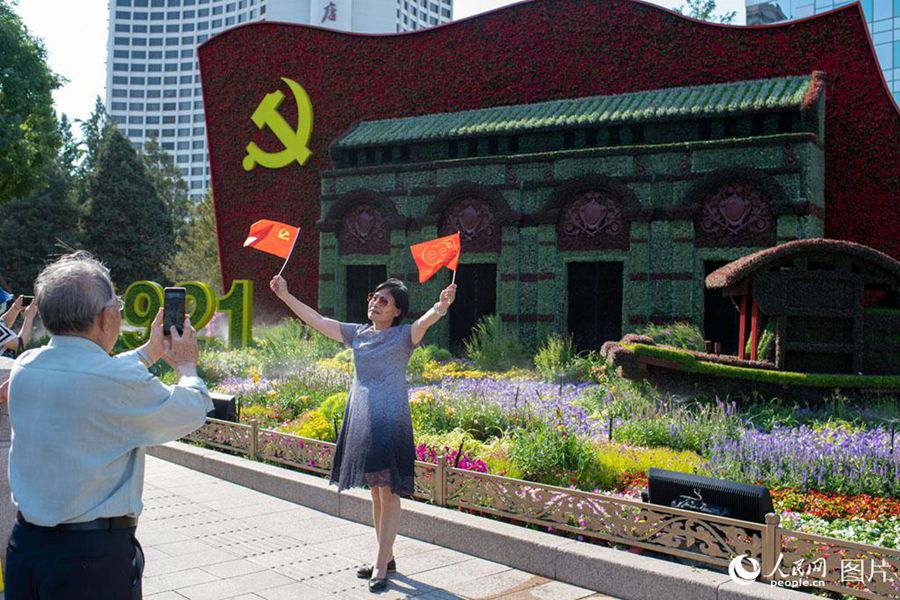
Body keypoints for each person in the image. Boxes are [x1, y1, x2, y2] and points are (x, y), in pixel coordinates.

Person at [2, 251, 213, 600]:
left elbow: (89, 372)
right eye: (117, 303)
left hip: (26, 548)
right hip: (89, 561)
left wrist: (148, 352)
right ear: (104, 316)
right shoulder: (113, 383)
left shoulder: (27, 364)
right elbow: (189, 411)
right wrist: (187, 365)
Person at [271, 275, 456, 592]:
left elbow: (424, 322)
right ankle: (388, 556)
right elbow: (316, 320)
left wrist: (440, 307)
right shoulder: (357, 334)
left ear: (397, 311)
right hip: (361, 418)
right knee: (375, 491)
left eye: (384, 300)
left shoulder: (402, 337)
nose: (375, 302)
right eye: (374, 296)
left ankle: (381, 565)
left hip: (391, 421)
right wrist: (286, 295)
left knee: (389, 492)